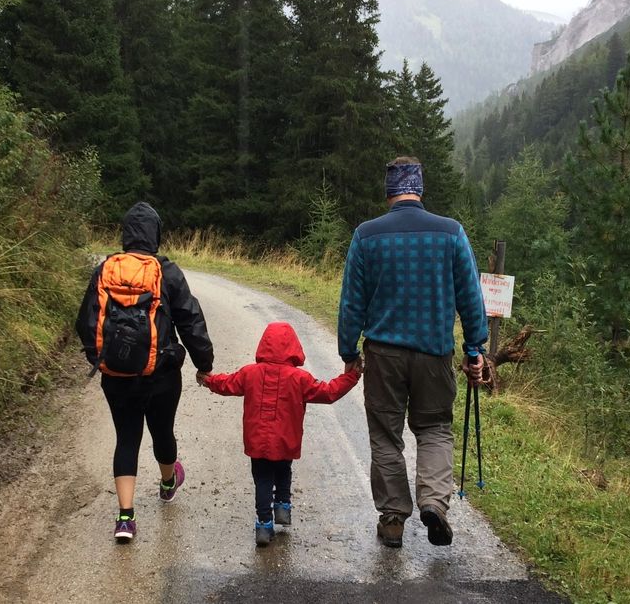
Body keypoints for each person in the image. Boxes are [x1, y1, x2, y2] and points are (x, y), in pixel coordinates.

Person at [337, 156, 488, 548]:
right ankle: (434, 503)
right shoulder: (451, 233)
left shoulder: (366, 236)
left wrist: (348, 350)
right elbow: (471, 298)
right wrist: (476, 349)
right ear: (419, 187)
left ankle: (392, 519)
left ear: (388, 190)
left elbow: (352, 302)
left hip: (384, 355)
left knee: (386, 436)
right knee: (435, 428)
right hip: (435, 353)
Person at [76, 202, 215, 543]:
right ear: (156, 234)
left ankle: (125, 517)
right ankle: (168, 483)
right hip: (162, 374)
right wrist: (204, 364)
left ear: (125, 234)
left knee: (126, 438)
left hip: (116, 376)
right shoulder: (166, 271)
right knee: (162, 431)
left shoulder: (105, 269)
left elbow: (85, 322)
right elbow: (190, 320)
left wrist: (102, 358)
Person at [200, 322, 361, 547]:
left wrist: (208, 380)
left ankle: (264, 524)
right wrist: (351, 377)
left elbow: (227, 384)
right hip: (286, 440)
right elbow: (328, 392)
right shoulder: (300, 378)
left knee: (263, 479)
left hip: (257, 441)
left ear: (264, 345)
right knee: (284, 469)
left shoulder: (250, 373)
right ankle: (283, 506)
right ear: (294, 347)